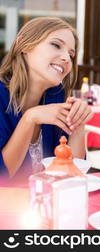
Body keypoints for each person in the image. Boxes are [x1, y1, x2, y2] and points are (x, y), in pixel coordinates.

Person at [0, 17, 93, 184]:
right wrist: (30, 118)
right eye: (56, 45)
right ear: (25, 45)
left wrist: (78, 124)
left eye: (71, 54)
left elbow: (72, 177)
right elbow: (2, 178)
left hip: (45, 204)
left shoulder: (57, 96)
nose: (66, 58)